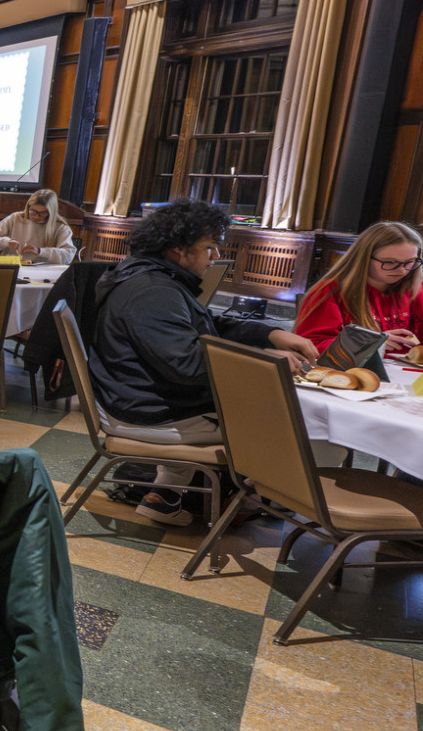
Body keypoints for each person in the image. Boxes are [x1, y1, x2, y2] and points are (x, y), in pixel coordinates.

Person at [89, 199, 318, 524]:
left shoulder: (153, 279)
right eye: (209, 247)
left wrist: (270, 336)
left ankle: (165, 496)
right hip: (147, 413)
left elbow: (207, 327)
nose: (216, 256)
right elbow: (188, 366)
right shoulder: (153, 291)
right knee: (285, 416)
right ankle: (259, 498)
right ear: (179, 249)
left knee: (258, 399)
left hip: (137, 398)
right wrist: (263, 360)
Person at [293, 220, 423, 357]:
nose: (402, 270)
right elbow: (312, 345)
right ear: (365, 258)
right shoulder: (330, 291)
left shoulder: (416, 290)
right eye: (390, 262)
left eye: (409, 262)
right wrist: (369, 343)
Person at [0, 188, 76, 265]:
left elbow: (68, 255)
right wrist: (6, 242)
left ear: (50, 212)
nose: (36, 216)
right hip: (12, 267)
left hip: (42, 272)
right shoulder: (15, 218)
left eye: (42, 213)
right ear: (28, 207)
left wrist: (41, 251)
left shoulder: (60, 227)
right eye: (33, 211)